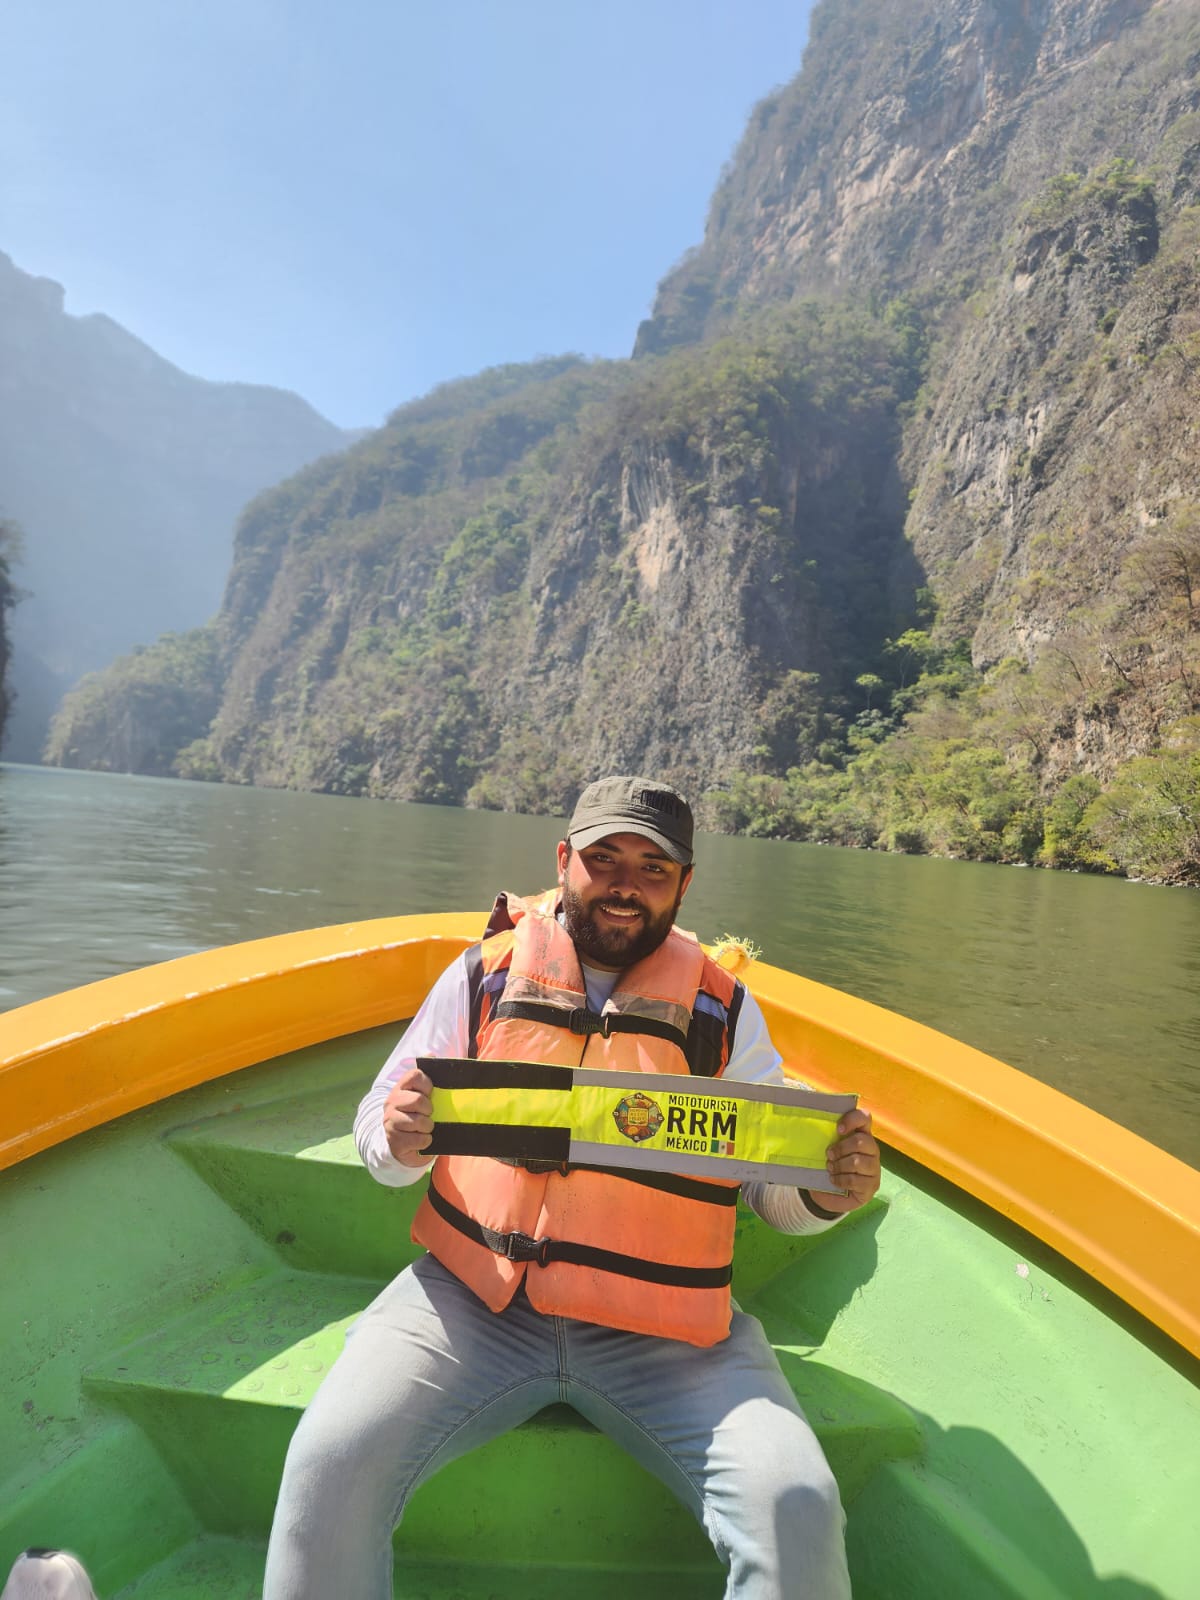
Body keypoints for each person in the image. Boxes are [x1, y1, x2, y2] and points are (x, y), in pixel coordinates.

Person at [263, 776, 881, 1599]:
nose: (626, 884)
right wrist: (400, 1140)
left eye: (653, 868)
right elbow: (380, 1125)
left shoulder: (726, 1012)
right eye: (604, 859)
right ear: (564, 863)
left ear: (684, 884)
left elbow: (768, 1187)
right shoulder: (483, 974)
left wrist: (827, 1195)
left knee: (794, 1505)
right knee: (328, 1464)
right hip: (472, 1301)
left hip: (669, 1338)